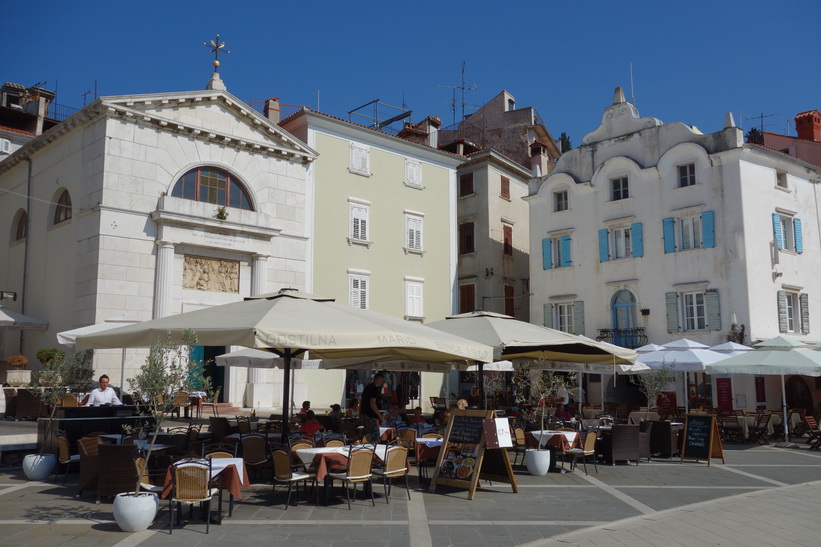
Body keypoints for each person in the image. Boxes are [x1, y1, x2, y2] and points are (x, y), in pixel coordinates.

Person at [361, 373, 384, 441]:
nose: (382, 382)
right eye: (381, 381)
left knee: (367, 436)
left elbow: (362, 401)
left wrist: (361, 414)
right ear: (377, 379)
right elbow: (372, 403)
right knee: (374, 437)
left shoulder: (367, 387)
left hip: (365, 415)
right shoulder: (374, 389)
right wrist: (379, 415)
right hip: (371, 416)